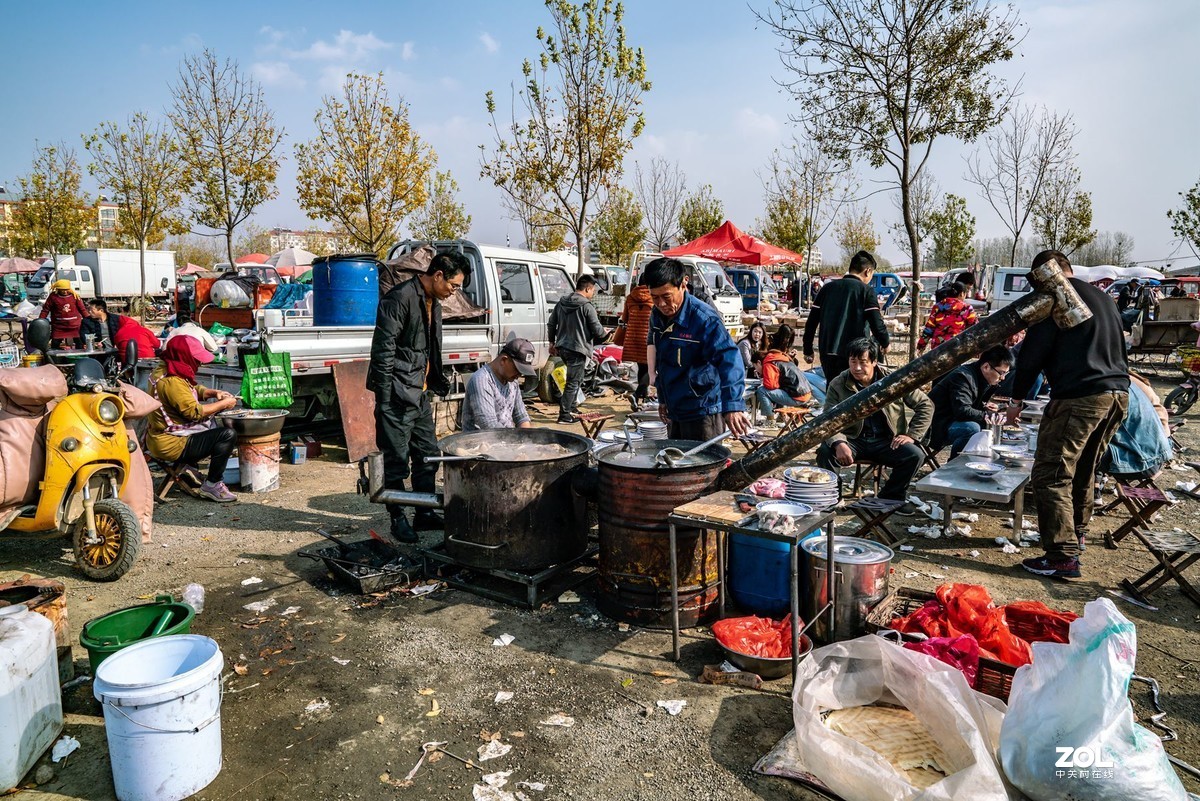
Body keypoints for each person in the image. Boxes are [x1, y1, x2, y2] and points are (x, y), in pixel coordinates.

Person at [1007, 250, 1129, 579]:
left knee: (1050, 473)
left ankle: (1062, 556)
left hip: (1081, 397)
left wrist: (1016, 399)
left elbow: (1032, 357)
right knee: (1083, 470)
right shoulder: (1104, 299)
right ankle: (1077, 534)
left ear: (1046, 276)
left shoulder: (1056, 298)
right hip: (1117, 395)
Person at [368, 252, 469, 543]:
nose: (455, 291)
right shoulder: (398, 299)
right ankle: (397, 518)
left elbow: (429, 348)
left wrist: (435, 381)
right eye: (453, 285)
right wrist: (385, 398)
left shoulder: (434, 302)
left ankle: (423, 513)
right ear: (437, 275)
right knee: (395, 461)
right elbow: (383, 349)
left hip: (420, 393)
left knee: (427, 456)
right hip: (396, 394)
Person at [817, 337, 932, 509]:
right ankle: (833, 497)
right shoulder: (839, 383)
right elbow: (828, 419)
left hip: (887, 440)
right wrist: (838, 442)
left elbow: (925, 405)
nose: (856, 368)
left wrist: (911, 435)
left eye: (863, 362)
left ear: (874, 362)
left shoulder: (893, 380)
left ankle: (891, 497)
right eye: (853, 361)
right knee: (825, 452)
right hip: (854, 440)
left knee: (915, 455)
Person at [645, 257, 750, 440]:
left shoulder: (704, 319)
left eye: (666, 296)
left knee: (703, 466)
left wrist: (733, 405)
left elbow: (729, 359)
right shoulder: (657, 315)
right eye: (655, 297)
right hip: (675, 410)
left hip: (703, 412)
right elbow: (664, 361)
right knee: (677, 464)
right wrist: (663, 398)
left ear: (682, 285)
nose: (661, 304)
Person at [146, 336, 239, 503]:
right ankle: (212, 485)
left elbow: (191, 389)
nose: (199, 363)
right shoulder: (171, 382)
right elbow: (195, 412)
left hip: (163, 437)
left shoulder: (166, 368)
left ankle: (190, 468)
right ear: (184, 357)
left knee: (212, 428)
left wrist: (213, 393)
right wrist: (224, 404)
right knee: (226, 435)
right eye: (196, 359)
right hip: (171, 443)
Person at [803, 251, 889, 383]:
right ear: (868, 271)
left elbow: (811, 322)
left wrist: (807, 349)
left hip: (828, 352)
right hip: (856, 355)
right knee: (855, 395)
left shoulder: (827, 289)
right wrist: (885, 342)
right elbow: (876, 322)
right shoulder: (866, 291)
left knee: (833, 392)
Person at [928, 346, 1013, 458]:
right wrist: (990, 415)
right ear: (986, 366)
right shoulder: (963, 377)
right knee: (971, 428)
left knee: (990, 425)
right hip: (935, 424)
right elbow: (962, 411)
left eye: (1006, 374)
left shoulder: (984, 378)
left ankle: (986, 459)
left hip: (952, 419)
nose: (1003, 378)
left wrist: (991, 410)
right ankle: (956, 466)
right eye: (1001, 373)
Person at [547, 274, 608, 424]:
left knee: (576, 378)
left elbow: (551, 323)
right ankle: (564, 415)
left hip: (562, 347)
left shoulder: (561, 303)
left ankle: (572, 407)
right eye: (593, 290)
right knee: (573, 382)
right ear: (588, 288)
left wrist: (551, 342)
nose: (593, 294)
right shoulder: (587, 306)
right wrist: (606, 333)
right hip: (578, 349)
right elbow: (598, 331)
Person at [461, 338, 536, 432]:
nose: (519, 375)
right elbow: (488, 424)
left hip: (504, 439)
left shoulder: (513, 381)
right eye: (517, 369)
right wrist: (514, 440)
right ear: (503, 360)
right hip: (480, 442)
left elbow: (521, 416)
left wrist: (528, 439)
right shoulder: (482, 380)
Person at [755, 324, 813, 420]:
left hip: (798, 396)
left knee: (762, 391)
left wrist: (764, 375)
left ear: (758, 362)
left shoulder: (770, 361)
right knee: (780, 389)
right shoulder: (783, 357)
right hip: (806, 393)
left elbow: (771, 386)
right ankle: (781, 416)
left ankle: (770, 420)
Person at [614, 276, 653, 401]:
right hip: (648, 337)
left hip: (633, 337)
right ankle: (637, 395)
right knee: (652, 367)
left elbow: (624, 319)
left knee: (642, 367)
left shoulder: (630, 297)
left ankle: (643, 396)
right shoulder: (654, 297)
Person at [83, 299, 161, 359]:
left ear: (101, 310)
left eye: (91, 310)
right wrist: (95, 343)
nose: (89, 312)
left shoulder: (116, 319)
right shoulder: (86, 322)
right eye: (88, 310)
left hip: (115, 351)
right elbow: (84, 336)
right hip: (98, 352)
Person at [916, 282, 979, 352]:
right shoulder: (967, 308)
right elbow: (975, 327)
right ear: (962, 294)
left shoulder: (937, 306)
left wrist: (921, 346)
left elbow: (929, 328)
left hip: (937, 348)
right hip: (957, 347)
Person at [38, 279, 89, 347]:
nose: (65, 292)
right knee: (55, 345)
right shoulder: (53, 297)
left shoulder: (75, 296)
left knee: (80, 344)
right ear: (58, 289)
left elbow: (82, 310)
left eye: (66, 289)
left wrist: (89, 320)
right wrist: (40, 320)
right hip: (59, 326)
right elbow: (46, 310)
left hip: (75, 326)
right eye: (62, 290)